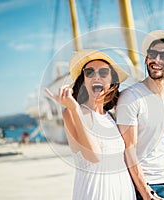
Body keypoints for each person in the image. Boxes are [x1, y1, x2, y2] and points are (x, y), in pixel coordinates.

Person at [45, 49, 136, 200]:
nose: (96, 77)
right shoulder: (71, 113)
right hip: (95, 193)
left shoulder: (111, 117)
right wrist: (74, 109)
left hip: (123, 191)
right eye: (90, 72)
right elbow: (94, 156)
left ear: (111, 80)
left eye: (103, 73)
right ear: (84, 80)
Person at [116, 30, 164, 200]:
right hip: (142, 186)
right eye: (152, 54)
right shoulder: (130, 97)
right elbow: (129, 148)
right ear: (146, 58)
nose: (157, 60)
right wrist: (146, 193)